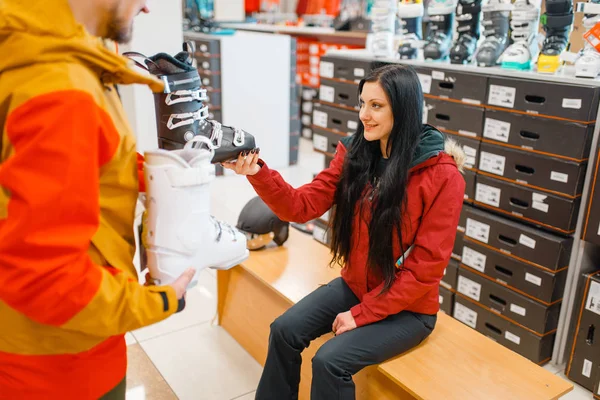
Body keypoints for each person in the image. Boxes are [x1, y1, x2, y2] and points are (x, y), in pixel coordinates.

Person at [223, 64, 466, 399]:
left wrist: (363, 314)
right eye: (362, 103)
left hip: (409, 309)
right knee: (284, 330)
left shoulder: (442, 176)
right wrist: (257, 172)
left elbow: (425, 270)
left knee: (330, 361)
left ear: (405, 108)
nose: (364, 114)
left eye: (376, 105)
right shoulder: (355, 153)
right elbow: (300, 206)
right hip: (357, 286)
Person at [0, 1, 196, 398]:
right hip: (62, 366)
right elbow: (48, 281)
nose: (144, 6)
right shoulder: (61, 86)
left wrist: (157, 173)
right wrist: (159, 301)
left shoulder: (42, 51)